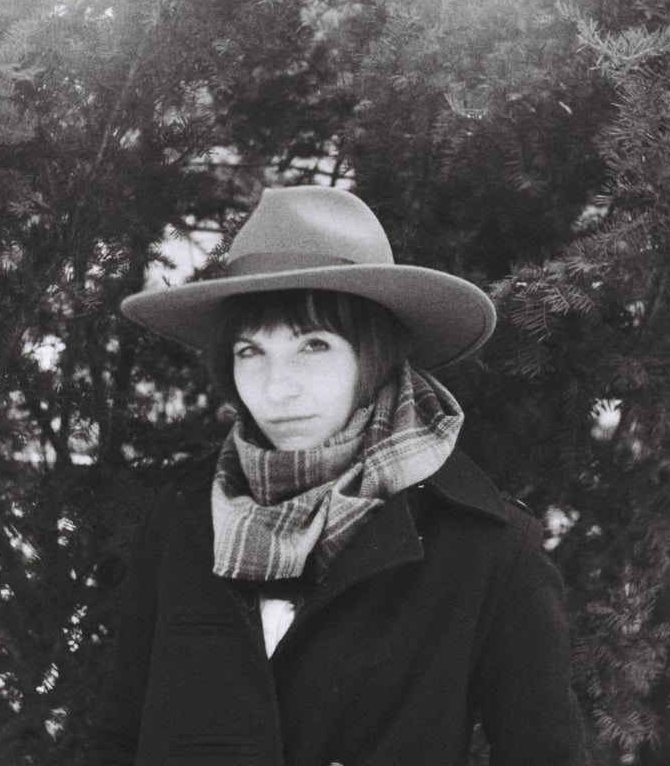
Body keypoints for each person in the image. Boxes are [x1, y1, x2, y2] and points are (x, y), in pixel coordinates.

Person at [92, 186, 588, 766]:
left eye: (313, 345)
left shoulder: (486, 546)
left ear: (374, 355)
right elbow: (118, 737)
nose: (277, 388)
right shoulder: (185, 515)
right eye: (250, 352)